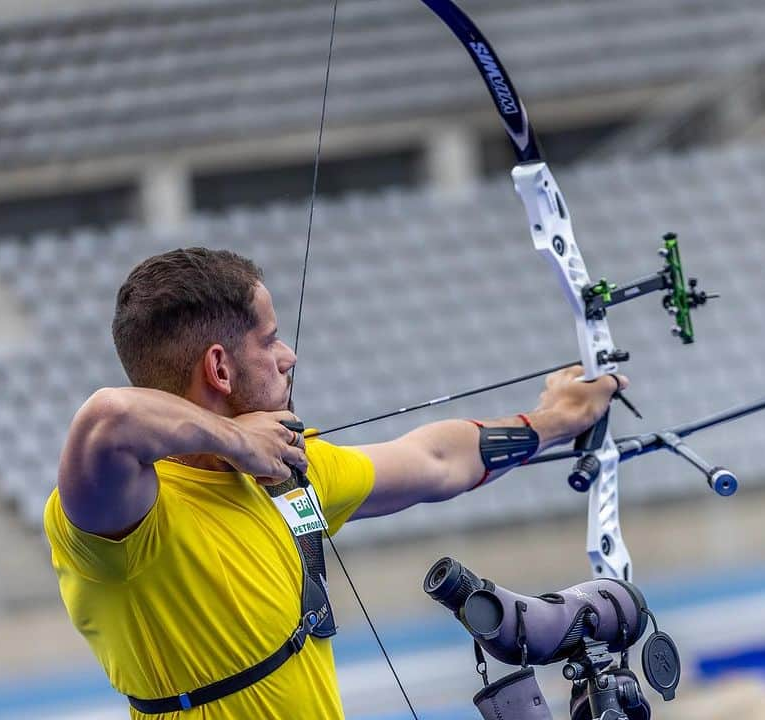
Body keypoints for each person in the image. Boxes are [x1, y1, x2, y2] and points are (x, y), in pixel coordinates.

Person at [44, 247, 626, 718]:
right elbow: (108, 418)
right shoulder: (125, 514)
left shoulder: (283, 474)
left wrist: (558, 419)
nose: (288, 356)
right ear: (219, 368)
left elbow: (435, 460)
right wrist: (239, 441)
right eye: (269, 340)